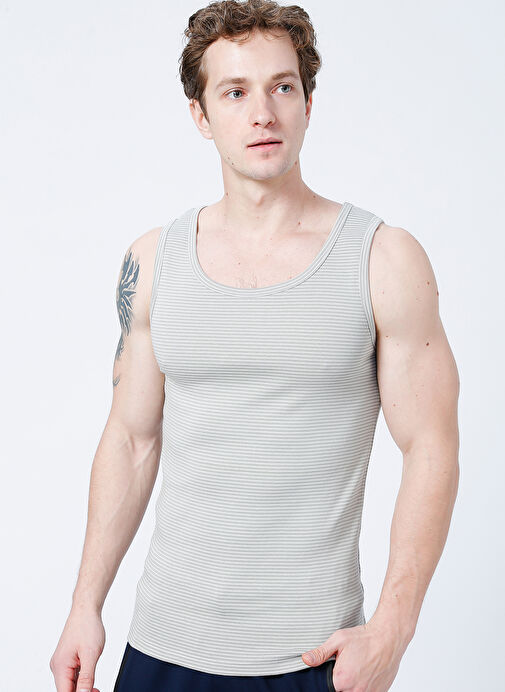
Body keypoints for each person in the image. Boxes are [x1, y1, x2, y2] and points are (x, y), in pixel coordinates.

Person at [49, 1, 460, 691]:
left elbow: (431, 445)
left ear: (307, 103)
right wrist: (84, 606)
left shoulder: (381, 259)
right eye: (235, 92)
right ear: (201, 116)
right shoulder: (153, 260)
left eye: (282, 87)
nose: (262, 113)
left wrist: (392, 629)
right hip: (161, 648)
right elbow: (130, 439)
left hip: (310, 658)